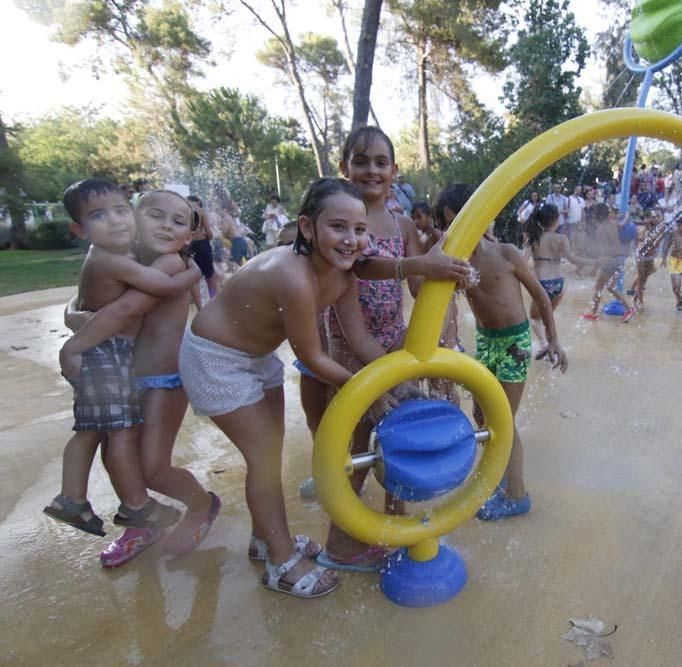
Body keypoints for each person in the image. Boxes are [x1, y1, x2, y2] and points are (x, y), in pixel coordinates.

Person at [177, 178, 466, 598]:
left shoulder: (340, 275)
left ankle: (266, 539)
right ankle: (280, 563)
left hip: (255, 359)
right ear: (308, 228)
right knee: (263, 458)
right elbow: (313, 359)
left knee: (267, 453)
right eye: (338, 227)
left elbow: (360, 342)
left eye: (359, 229)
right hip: (216, 359)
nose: (352, 240)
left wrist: (395, 380)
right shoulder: (292, 277)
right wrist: (374, 394)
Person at [303, 127, 450, 572]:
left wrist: (442, 303)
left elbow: (420, 285)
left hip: (394, 342)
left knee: (401, 438)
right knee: (357, 449)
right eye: (361, 161)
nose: (372, 170)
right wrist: (420, 262)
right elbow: (367, 268)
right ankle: (341, 545)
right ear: (345, 167)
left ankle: (395, 522)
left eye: (381, 162)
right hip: (351, 348)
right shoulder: (344, 227)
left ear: (395, 170)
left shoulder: (403, 224)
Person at [59, 191, 220, 564]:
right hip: (125, 376)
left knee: (152, 468)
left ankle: (201, 505)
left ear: (188, 235)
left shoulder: (168, 264)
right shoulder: (125, 260)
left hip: (163, 379)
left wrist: (74, 343)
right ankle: (141, 522)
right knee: (117, 455)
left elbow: (123, 310)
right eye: (155, 215)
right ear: (133, 218)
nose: (166, 225)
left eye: (178, 221)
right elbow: (86, 301)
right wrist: (73, 314)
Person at [435, 183, 568, 520]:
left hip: (514, 343)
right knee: (481, 415)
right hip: (486, 342)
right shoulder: (455, 264)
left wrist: (552, 339)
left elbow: (539, 295)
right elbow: (430, 298)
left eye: (466, 221)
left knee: (501, 421)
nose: (460, 231)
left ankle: (517, 494)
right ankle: (498, 475)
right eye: (451, 225)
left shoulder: (505, 254)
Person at [523, 203, 595, 343]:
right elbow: (574, 260)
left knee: (535, 318)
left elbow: (521, 261)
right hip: (558, 284)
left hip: (542, 284)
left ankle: (544, 344)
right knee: (548, 319)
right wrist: (595, 262)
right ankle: (552, 346)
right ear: (557, 220)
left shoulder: (533, 239)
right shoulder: (562, 239)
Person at [582, 204, 636, 322]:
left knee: (598, 288)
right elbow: (622, 224)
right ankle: (629, 308)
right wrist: (627, 216)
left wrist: (595, 267)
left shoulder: (600, 230)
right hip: (619, 259)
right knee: (611, 287)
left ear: (598, 216)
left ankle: (593, 313)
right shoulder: (613, 222)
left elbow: (604, 251)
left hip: (609, 260)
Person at [186, 194, 216, 304]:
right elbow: (209, 232)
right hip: (202, 244)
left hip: (188, 245)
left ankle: (199, 306)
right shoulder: (201, 211)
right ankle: (214, 301)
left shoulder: (184, 210)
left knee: (194, 277)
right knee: (210, 275)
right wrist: (209, 237)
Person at [631, 208, 664, 308]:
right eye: (653, 217)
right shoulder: (643, 228)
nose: (656, 219)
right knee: (642, 279)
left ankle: (634, 292)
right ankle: (639, 300)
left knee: (644, 277)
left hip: (650, 257)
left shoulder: (660, 228)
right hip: (641, 256)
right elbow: (641, 240)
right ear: (648, 218)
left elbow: (655, 241)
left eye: (657, 217)